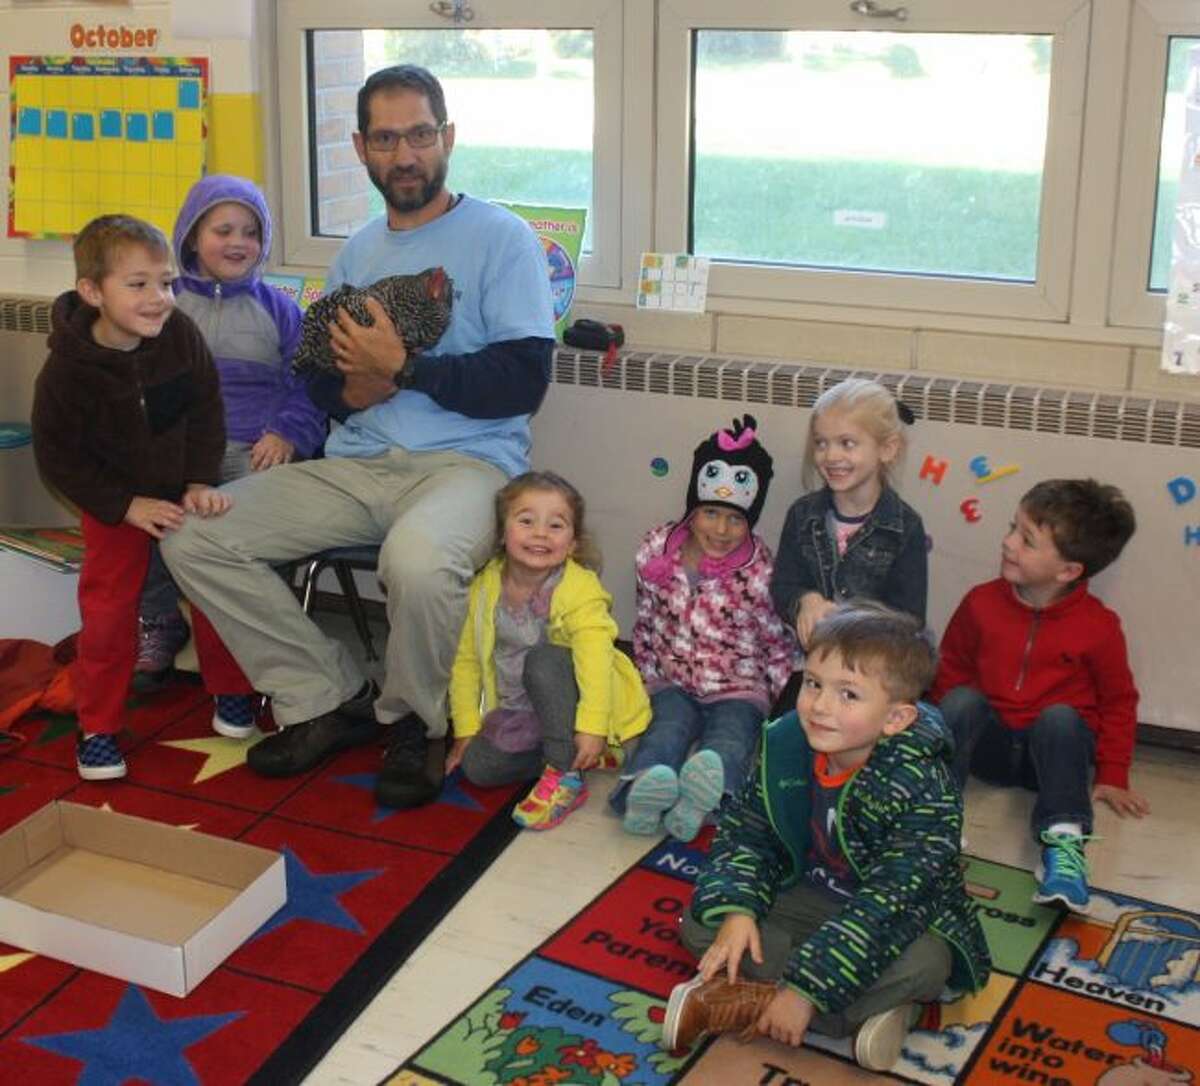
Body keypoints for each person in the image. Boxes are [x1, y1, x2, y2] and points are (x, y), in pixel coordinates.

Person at [162, 64, 556, 809]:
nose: (404, 154)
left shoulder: (501, 237)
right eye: (386, 138)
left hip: (464, 466)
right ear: (361, 147)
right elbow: (314, 379)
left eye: (417, 134)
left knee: (416, 561)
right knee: (194, 538)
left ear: (447, 137)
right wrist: (359, 388)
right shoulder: (358, 250)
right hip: (353, 464)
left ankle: (415, 721)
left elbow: (522, 380)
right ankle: (327, 694)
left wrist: (405, 370)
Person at [662, 602, 990, 1073]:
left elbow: (889, 903)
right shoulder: (786, 745)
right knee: (704, 922)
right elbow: (749, 835)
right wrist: (739, 911)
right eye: (813, 683)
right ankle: (857, 1012)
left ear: (895, 719)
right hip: (809, 894)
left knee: (929, 964)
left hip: (899, 917)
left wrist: (804, 990)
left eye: (848, 695)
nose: (819, 705)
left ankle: (762, 1001)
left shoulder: (923, 788)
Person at [31, 214, 231, 780]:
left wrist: (200, 481)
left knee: (217, 580)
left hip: (182, 493)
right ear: (93, 291)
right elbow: (58, 459)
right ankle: (98, 726)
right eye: (138, 284)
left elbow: (207, 411)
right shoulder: (66, 371)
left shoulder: (182, 336)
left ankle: (233, 691)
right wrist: (124, 507)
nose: (159, 298)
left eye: (166, 282)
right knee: (108, 614)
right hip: (115, 503)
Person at [135, 176, 327, 739]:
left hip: (252, 446)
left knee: (239, 523)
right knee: (151, 506)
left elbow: (309, 384)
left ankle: (249, 651)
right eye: (223, 230)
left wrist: (288, 433)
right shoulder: (164, 305)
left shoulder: (281, 309)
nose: (237, 241)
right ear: (192, 237)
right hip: (178, 446)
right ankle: (158, 619)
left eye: (250, 231)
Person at [931, 478, 1144, 914]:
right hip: (989, 749)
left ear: (1068, 571)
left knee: (1063, 718)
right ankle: (932, 819)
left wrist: (1112, 771)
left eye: (1025, 540)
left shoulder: (1099, 626)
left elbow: (1118, 701)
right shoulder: (980, 603)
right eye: (1013, 528)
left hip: (1048, 759)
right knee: (960, 700)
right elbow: (950, 669)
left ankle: (1063, 843)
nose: (1008, 542)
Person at [609, 415, 794, 840]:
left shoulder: (760, 570)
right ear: (693, 509)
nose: (722, 529)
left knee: (730, 742)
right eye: (711, 513)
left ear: (751, 522)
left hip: (739, 686)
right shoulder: (657, 550)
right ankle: (642, 789)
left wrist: (778, 698)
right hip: (673, 680)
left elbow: (776, 639)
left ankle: (702, 800)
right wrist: (648, 676)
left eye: (736, 519)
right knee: (666, 732)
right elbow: (647, 618)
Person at [447, 472, 650, 830]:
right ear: (501, 533)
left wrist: (591, 727)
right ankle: (581, 754)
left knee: (541, 660)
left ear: (572, 543)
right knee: (477, 768)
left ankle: (566, 771)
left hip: (577, 701)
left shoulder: (579, 590)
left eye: (556, 525)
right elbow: (465, 663)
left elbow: (595, 664)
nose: (540, 533)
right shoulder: (484, 587)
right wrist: (465, 732)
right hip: (522, 708)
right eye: (526, 521)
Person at [770, 378, 926, 651]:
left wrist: (850, 624)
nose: (830, 456)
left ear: (887, 449)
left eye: (847, 443)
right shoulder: (801, 515)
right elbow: (783, 585)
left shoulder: (906, 527)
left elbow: (910, 618)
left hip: (871, 665)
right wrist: (806, 600)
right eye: (821, 443)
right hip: (808, 661)